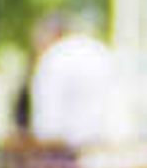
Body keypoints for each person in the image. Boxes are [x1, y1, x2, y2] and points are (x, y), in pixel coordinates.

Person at [27, 14, 129, 150]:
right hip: (111, 153)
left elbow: (48, 127)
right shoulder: (99, 49)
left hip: (68, 155)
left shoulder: (54, 57)